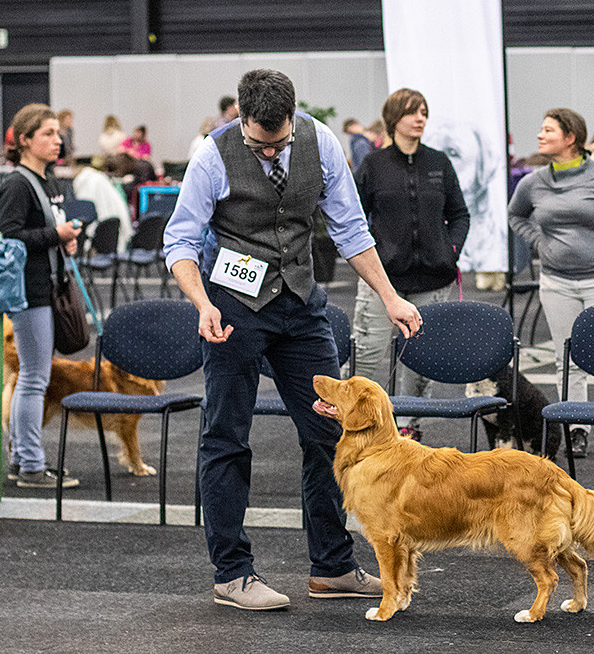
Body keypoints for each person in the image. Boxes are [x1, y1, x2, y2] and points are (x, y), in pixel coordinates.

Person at [163, 68, 422, 611]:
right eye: (260, 143)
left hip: (301, 305)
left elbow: (352, 228)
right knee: (226, 437)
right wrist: (203, 303)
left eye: (278, 142)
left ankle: (331, 568)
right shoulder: (212, 153)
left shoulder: (320, 141)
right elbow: (181, 240)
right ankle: (232, 574)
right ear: (241, 117)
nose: (270, 151)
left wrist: (392, 297)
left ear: (293, 118)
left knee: (331, 434)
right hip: (232, 306)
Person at [508, 108, 594, 460]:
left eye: (548, 131)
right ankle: (577, 430)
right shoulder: (533, 181)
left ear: (570, 138)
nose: (540, 136)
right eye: (541, 130)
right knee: (567, 359)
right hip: (556, 282)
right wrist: (539, 242)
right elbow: (515, 215)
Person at [351, 89, 470, 440]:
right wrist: (372, 253)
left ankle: (409, 427)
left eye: (423, 112)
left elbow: (459, 214)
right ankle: (363, 425)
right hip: (381, 279)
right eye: (411, 112)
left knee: (417, 363)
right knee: (369, 355)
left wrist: (450, 250)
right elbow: (353, 218)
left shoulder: (439, 163)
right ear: (394, 119)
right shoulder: (373, 165)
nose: (420, 118)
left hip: (432, 279)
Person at [0, 103, 82, 489]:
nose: (56, 139)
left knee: (33, 377)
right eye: (47, 133)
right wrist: (56, 237)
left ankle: (23, 460)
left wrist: (64, 242)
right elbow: (8, 237)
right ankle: (30, 464)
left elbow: (42, 233)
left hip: (46, 286)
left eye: (57, 133)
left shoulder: (48, 181)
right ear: (25, 140)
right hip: (30, 292)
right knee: (33, 379)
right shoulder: (17, 184)